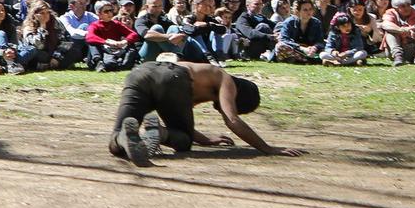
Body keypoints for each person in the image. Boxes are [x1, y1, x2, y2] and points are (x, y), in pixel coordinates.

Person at [107, 62, 300, 167]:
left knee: (114, 144)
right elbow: (232, 120)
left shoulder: (201, 78)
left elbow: (179, 115)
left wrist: (206, 140)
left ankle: (125, 137)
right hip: (173, 78)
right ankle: (158, 131)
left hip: (141, 72)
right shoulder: (225, 79)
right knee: (183, 141)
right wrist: (267, 148)